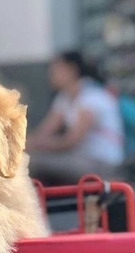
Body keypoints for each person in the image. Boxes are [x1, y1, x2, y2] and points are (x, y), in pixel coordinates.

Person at [27, 51, 125, 185]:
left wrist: (36, 145)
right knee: (26, 160)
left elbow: (71, 141)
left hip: (101, 164)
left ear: (71, 70)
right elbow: (44, 131)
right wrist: (23, 145)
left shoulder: (92, 96)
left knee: (31, 162)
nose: (50, 74)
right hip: (78, 159)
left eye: (56, 69)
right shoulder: (64, 98)